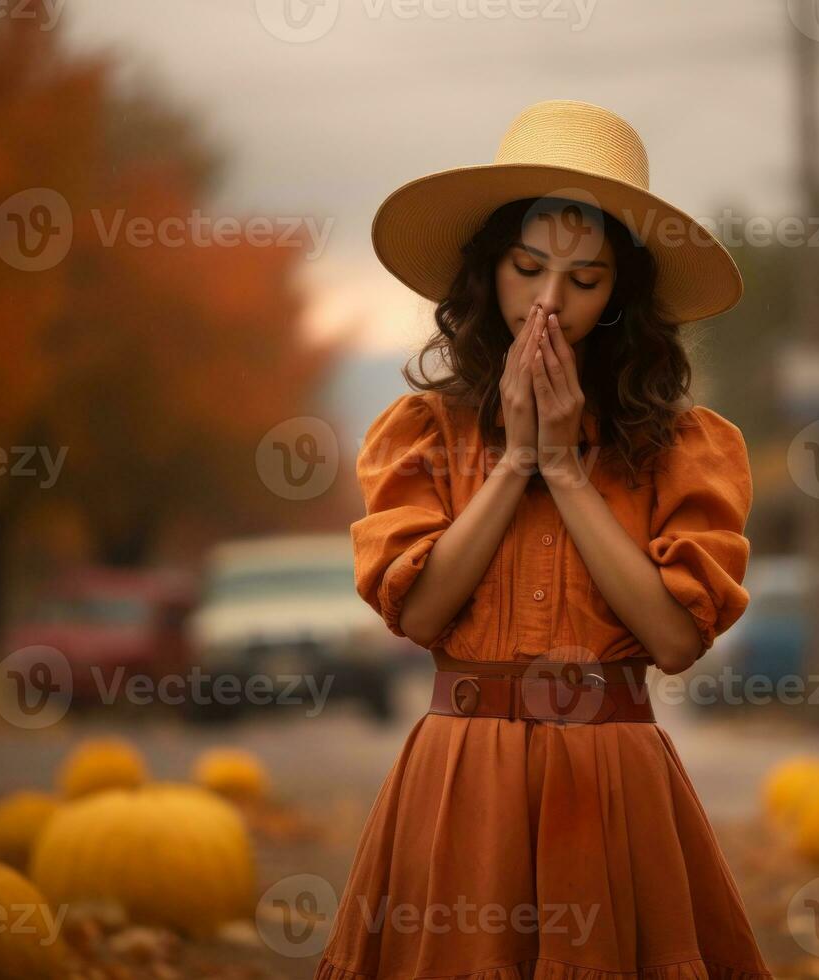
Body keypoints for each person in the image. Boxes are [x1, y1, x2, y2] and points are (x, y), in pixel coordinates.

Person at [316, 99, 772, 980]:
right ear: (491, 272)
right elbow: (419, 613)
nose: (550, 303)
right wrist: (517, 459)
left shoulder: (685, 447)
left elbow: (677, 640)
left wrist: (565, 469)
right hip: (460, 784)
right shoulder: (422, 430)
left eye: (586, 279)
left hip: (613, 785)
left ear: (621, 298)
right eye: (528, 269)